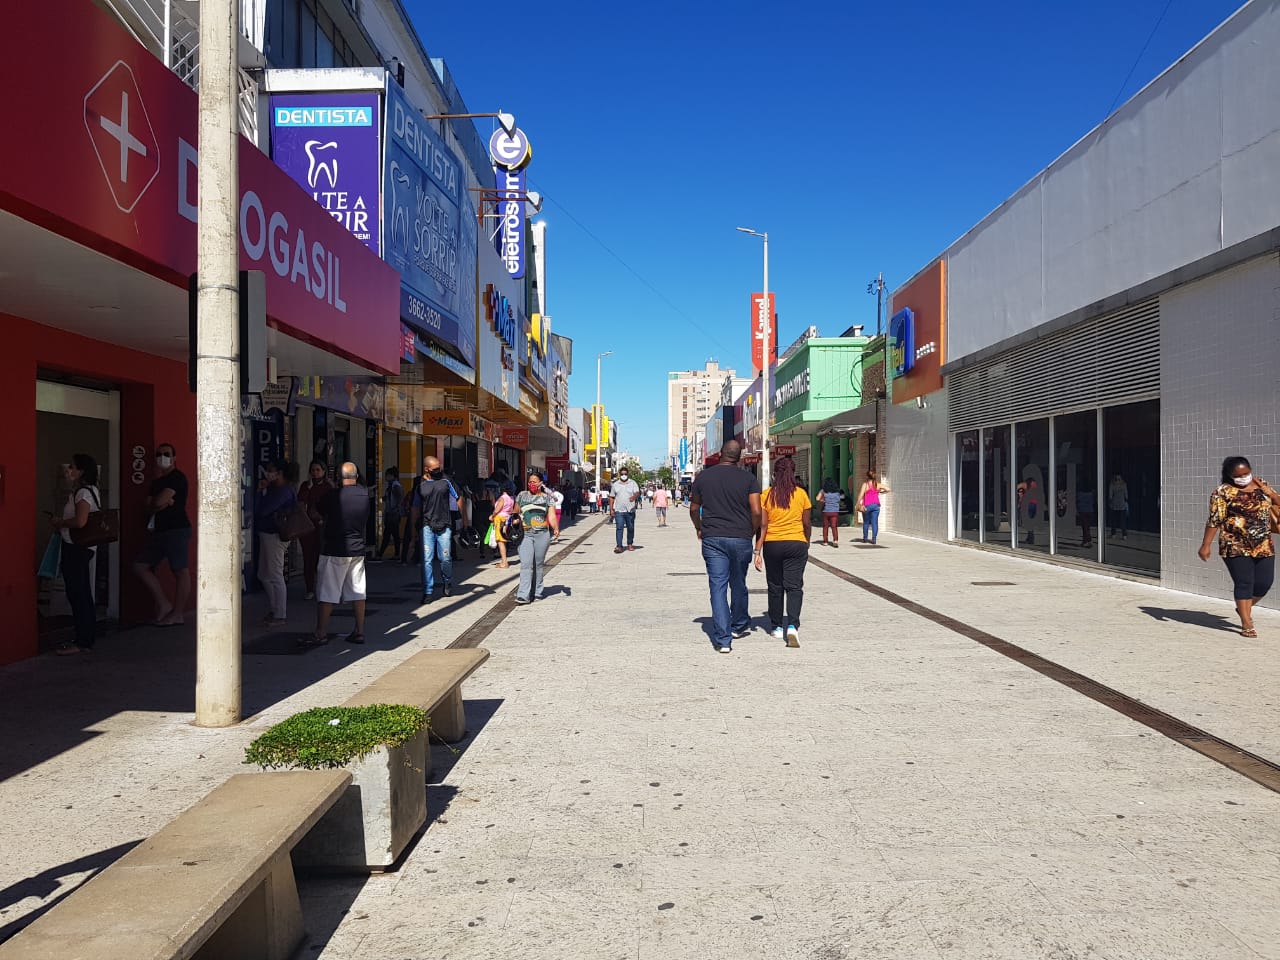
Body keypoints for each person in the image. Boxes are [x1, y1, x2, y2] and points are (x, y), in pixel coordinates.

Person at [690, 440, 761, 653]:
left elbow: (694, 508)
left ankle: (723, 640)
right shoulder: (749, 478)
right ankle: (738, 625)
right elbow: (756, 511)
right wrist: (751, 531)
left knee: (718, 586)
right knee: (738, 582)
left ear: (720, 454)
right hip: (741, 537)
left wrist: (699, 528)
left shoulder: (703, 477)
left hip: (713, 538)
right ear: (739, 456)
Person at [1198, 456, 1280, 638]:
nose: (1244, 477)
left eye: (1246, 473)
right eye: (1238, 475)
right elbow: (1215, 520)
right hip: (1234, 544)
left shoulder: (1261, 484)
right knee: (1244, 583)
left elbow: (1277, 505)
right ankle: (1246, 622)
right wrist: (1206, 545)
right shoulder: (1222, 492)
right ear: (1229, 475)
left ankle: (1244, 607)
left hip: (1263, 544)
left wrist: (1272, 494)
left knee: (1265, 583)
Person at [308, 462, 370, 646]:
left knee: (327, 593)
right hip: (357, 549)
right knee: (358, 591)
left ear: (338, 477)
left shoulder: (333, 496)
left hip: (334, 549)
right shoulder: (364, 495)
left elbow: (314, 511)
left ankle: (321, 633)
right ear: (356, 476)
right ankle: (359, 631)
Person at [132, 441, 192, 625]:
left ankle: (178, 613)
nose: (162, 458)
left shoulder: (177, 477)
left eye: (166, 454)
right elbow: (149, 506)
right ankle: (164, 604)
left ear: (174, 458)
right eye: (159, 454)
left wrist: (160, 503)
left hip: (177, 529)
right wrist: (162, 503)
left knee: (180, 570)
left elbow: (157, 503)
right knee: (140, 566)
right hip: (159, 531)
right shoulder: (156, 482)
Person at [755, 457, 811, 648]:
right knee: (794, 587)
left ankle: (777, 627)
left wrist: (758, 550)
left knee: (775, 585)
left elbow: (763, 524)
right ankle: (793, 626)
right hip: (797, 543)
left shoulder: (767, 495)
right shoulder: (801, 494)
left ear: (774, 474)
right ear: (793, 472)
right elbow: (806, 523)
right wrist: (807, 541)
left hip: (773, 544)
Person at [50, 454, 102, 655]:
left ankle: (83, 640)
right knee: (81, 592)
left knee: (78, 593)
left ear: (81, 471)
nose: (68, 471)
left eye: (72, 467)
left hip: (77, 547)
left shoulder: (83, 493)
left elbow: (80, 521)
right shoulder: (87, 491)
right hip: (79, 547)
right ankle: (84, 637)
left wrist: (60, 523)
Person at [255, 460, 295, 626]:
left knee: (275, 574)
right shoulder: (276, 489)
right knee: (264, 575)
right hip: (268, 534)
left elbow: (263, 510)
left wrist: (259, 492)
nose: (268, 473)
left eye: (271, 471)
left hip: (275, 535)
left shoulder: (282, 491)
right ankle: (275, 609)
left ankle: (280, 614)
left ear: (280, 473)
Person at [411, 456, 455, 603]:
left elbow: (458, 497)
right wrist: (413, 529)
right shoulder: (420, 486)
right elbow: (415, 508)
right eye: (435, 469)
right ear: (426, 469)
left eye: (439, 468)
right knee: (427, 560)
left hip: (444, 525)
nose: (438, 471)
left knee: (445, 558)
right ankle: (428, 591)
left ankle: (447, 581)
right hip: (427, 526)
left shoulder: (446, 482)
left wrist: (464, 521)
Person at [514, 472, 561, 604]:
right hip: (525, 534)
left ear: (541, 483)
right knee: (526, 564)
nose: (531, 484)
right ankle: (523, 594)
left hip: (542, 535)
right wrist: (514, 520)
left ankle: (537, 590)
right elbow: (515, 512)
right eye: (530, 481)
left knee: (538, 564)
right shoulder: (522, 495)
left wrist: (556, 528)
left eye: (534, 481)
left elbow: (551, 516)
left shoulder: (547, 498)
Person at [296, 461, 332, 600]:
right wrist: (309, 489)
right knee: (308, 558)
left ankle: (322, 587)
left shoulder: (328, 487)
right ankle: (309, 588)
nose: (315, 473)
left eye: (318, 470)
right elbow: (300, 503)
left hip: (322, 527)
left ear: (323, 471)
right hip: (307, 527)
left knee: (321, 558)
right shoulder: (306, 486)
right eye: (313, 470)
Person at [610, 467, 640, 553]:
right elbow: (612, 497)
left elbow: (637, 492)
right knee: (619, 528)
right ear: (620, 474)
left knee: (630, 528)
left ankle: (630, 544)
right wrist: (611, 509)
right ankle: (619, 546)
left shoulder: (633, 483)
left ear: (628, 474)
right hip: (619, 510)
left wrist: (633, 497)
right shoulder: (615, 484)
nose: (624, 475)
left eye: (625, 474)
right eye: (622, 474)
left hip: (630, 510)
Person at [377, 467, 404, 562]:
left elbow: (399, 499)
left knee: (388, 534)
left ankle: (380, 554)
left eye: (387, 475)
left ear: (393, 476)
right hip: (392, 513)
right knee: (393, 534)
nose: (386, 477)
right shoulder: (392, 485)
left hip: (393, 514)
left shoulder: (395, 486)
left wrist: (395, 508)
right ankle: (396, 554)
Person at [857, 470, 890, 545]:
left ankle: (865, 538)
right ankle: (874, 539)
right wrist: (880, 492)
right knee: (874, 522)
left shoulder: (865, 484)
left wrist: (857, 504)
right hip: (876, 505)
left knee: (866, 522)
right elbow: (888, 489)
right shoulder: (877, 485)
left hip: (867, 505)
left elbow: (861, 495)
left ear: (867, 476)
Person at [490, 481, 516, 568]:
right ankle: (504, 561)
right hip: (507, 520)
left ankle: (504, 562)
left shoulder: (502, 498)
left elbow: (497, 510)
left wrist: (492, 516)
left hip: (499, 520)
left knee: (500, 542)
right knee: (504, 540)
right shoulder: (512, 498)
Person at [819, 477, 842, 547]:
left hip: (826, 511)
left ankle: (825, 541)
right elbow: (838, 501)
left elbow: (818, 499)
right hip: (835, 511)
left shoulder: (824, 493)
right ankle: (835, 540)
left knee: (825, 526)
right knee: (834, 526)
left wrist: (823, 500)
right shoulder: (837, 493)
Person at [1108, 473, 1130, 539]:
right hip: (1122, 504)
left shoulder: (1112, 484)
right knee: (1123, 521)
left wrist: (1110, 502)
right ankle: (1124, 535)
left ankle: (1113, 534)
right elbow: (1126, 496)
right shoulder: (1124, 484)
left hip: (1114, 505)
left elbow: (1110, 496)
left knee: (1114, 520)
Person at [1076, 484, 1097, 549]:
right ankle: (1085, 541)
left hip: (1083, 511)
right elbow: (1093, 502)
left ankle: (1088, 541)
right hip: (1090, 511)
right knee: (1087, 527)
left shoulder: (1080, 494)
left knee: (1084, 527)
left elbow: (1078, 501)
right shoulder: (1091, 494)